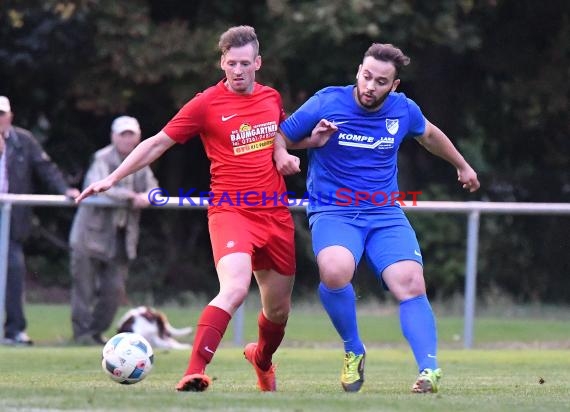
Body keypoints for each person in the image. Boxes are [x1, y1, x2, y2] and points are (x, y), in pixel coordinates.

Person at [75, 26, 331, 392]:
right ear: (222, 63)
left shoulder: (271, 98)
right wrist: (113, 178)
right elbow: (158, 142)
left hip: (274, 214)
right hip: (230, 212)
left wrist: (307, 143)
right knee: (235, 288)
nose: (238, 70)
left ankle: (261, 359)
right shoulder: (206, 103)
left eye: (245, 63)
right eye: (232, 63)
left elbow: (277, 137)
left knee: (278, 311)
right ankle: (194, 371)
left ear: (257, 63)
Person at [274, 43, 480, 394]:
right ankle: (354, 348)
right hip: (334, 211)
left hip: (384, 213)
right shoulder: (328, 101)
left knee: (411, 281)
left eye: (381, 81)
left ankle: (429, 370)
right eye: (366, 76)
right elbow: (281, 135)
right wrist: (287, 154)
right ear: (358, 71)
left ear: (394, 85)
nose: (371, 86)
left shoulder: (403, 110)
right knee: (335, 270)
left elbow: (428, 135)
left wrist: (461, 165)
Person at [69, 116, 158, 345]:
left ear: (139, 137)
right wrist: (131, 197)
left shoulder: (141, 162)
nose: (127, 139)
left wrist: (147, 198)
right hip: (89, 235)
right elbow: (99, 187)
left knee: (114, 290)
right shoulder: (102, 158)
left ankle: (97, 332)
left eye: (131, 134)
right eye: (123, 134)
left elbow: (154, 189)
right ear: (113, 136)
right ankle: (81, 335)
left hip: (121, 237)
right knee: (84, 289)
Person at [0, 95, 80, 345]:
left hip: (12, 220)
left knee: (14, 271)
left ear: (10, 116)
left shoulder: (24, 140)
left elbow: (45, 168)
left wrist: (65, 189)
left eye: (1, 114)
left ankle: (14, 330)